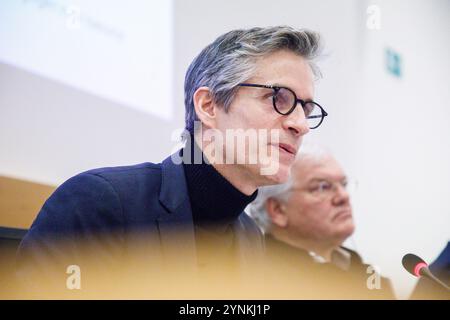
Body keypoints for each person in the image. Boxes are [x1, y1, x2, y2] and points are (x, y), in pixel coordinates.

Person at [16, 26, 328, 297]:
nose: (300, 124)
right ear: (208, 105)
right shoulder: (99, 201)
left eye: (307, 109)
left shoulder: (250, 237)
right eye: (280, 99)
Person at [248, 144, 395, 299]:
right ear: (278, 210)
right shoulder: (252, 277)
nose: (343, 196)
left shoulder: (366, 274)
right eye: (323, 187)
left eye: (343, 184)